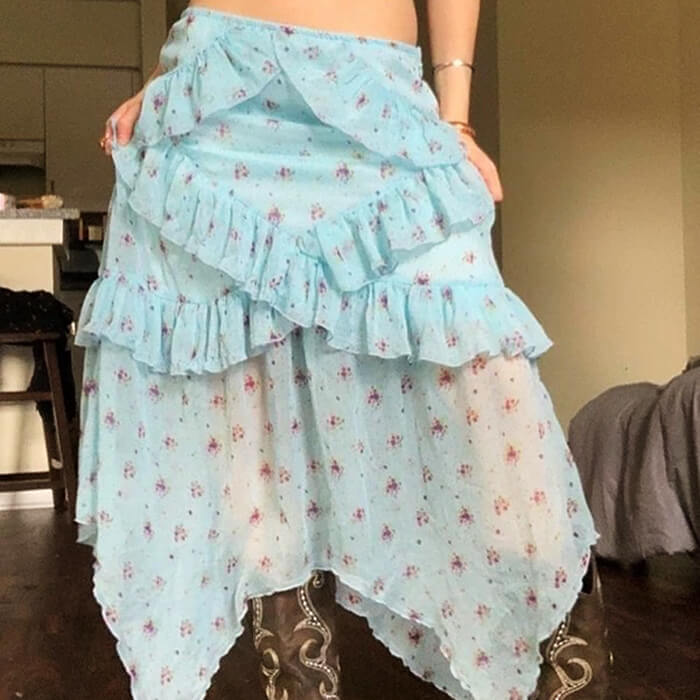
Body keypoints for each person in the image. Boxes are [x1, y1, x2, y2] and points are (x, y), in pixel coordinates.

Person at [81, 1, 613, 698]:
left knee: (492, 409)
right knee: (249, 438)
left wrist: (454, 119)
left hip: (378, 97)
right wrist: (162, 81)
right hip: (215, 94)